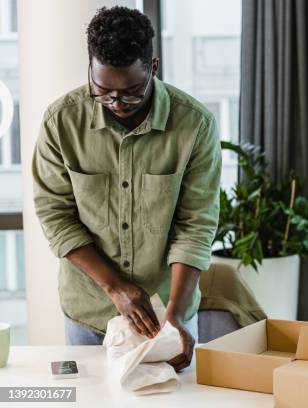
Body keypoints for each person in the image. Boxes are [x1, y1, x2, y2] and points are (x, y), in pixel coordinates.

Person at [32, 6, 221, 372]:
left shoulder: (195, 125)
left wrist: (176, 317)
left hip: (168, 313)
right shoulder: (61, 123)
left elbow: (196, 224)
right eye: (103, 92)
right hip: (88, 316)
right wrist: (115, 286)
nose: (117, 104)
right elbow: (55, 215)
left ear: (153, 66)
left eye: (132, 93)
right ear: (90, 67)